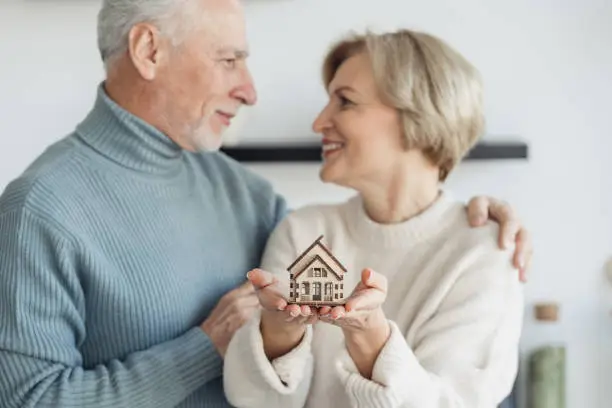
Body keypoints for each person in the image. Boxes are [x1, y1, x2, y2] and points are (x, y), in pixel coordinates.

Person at [0, 1, 530, 407]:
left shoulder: (248, 197)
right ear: (148, 51)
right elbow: (27, 399)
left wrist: (470, 220)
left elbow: (381, 235)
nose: (250, 91)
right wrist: (206, 347)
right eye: (229, 60)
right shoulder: (40, 210)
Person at [223, 29, 525, 408]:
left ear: (417, 115)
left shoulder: (484, 251)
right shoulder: (304, 232)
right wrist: (280, 332)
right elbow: (255, 401)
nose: (319, 122)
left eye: (345, 102)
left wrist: (370, 340)